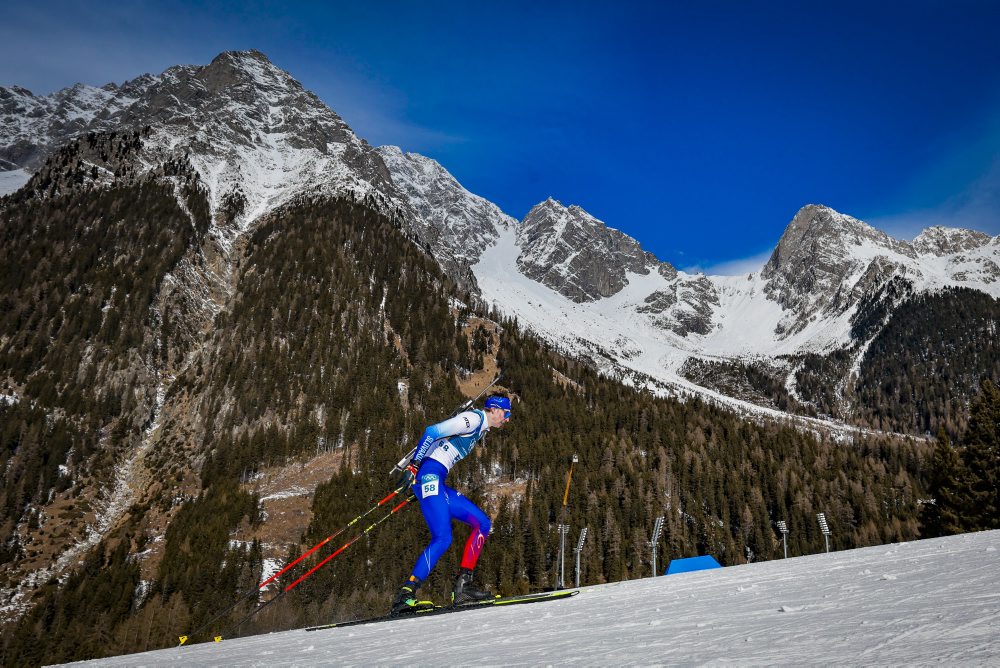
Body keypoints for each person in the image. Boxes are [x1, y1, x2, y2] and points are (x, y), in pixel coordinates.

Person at [391, 394, 512, 614]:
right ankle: (405, 595)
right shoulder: (473, 420)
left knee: (482, 523)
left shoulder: (480, 428)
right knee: (443, 537)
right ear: (494, 410)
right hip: (429, 476)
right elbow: (432, 432)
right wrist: (414, 469)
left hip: (436, 481)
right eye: (506, 413)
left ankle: (463, 587)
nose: (507, 419)